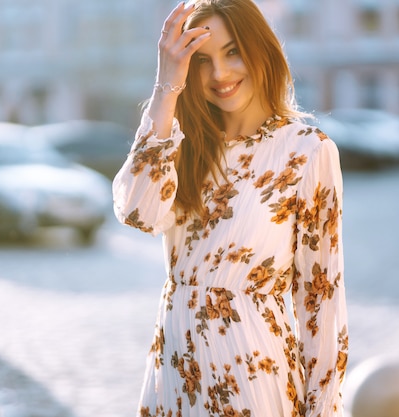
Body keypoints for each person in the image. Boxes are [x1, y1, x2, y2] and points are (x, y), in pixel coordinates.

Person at [112, 1, 348, 416]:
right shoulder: (181, 143)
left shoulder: (307, 151)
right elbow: (138, 213)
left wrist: (323, 409)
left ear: (261, 49)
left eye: (233, 51)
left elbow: (320, 297)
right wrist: (166, 86)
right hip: (174, 374)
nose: (219, 74)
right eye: (201, 60)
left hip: (253, 379)